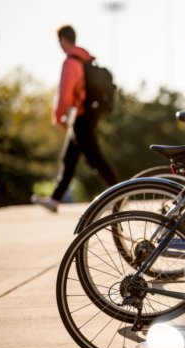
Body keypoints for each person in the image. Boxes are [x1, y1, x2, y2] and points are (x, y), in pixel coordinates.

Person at [31, 25, 118, 212]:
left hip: (80, 117)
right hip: (88, 114)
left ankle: (120, 193)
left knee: (95, 159)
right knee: (69, 159)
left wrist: (59, 117)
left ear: (63, 40)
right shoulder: (84, 59)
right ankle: (54, 200)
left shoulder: (71, 62)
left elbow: (65, 94)